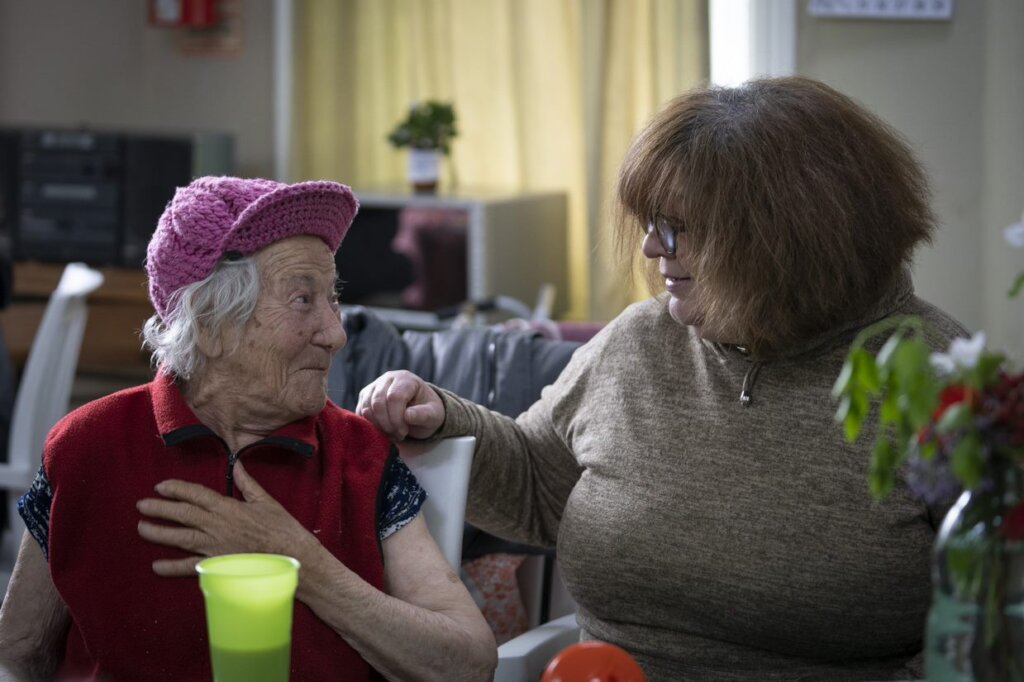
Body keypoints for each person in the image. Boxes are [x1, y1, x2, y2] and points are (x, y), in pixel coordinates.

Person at [356, 77, 968, 681]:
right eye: (649, 222)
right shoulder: (640, 340)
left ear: (784, 239)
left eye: (676, 227)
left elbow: (990, 621)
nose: (650, 247)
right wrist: (442, 415)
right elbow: (539, 484)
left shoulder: (943, 384)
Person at [0, 177, 496, 681]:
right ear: (211, 323)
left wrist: (303, 562)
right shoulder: (89, 446)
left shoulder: (359, 454)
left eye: (333, 298)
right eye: (304, 299)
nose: (336, 334)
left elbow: (469, 664)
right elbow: (18, 652)